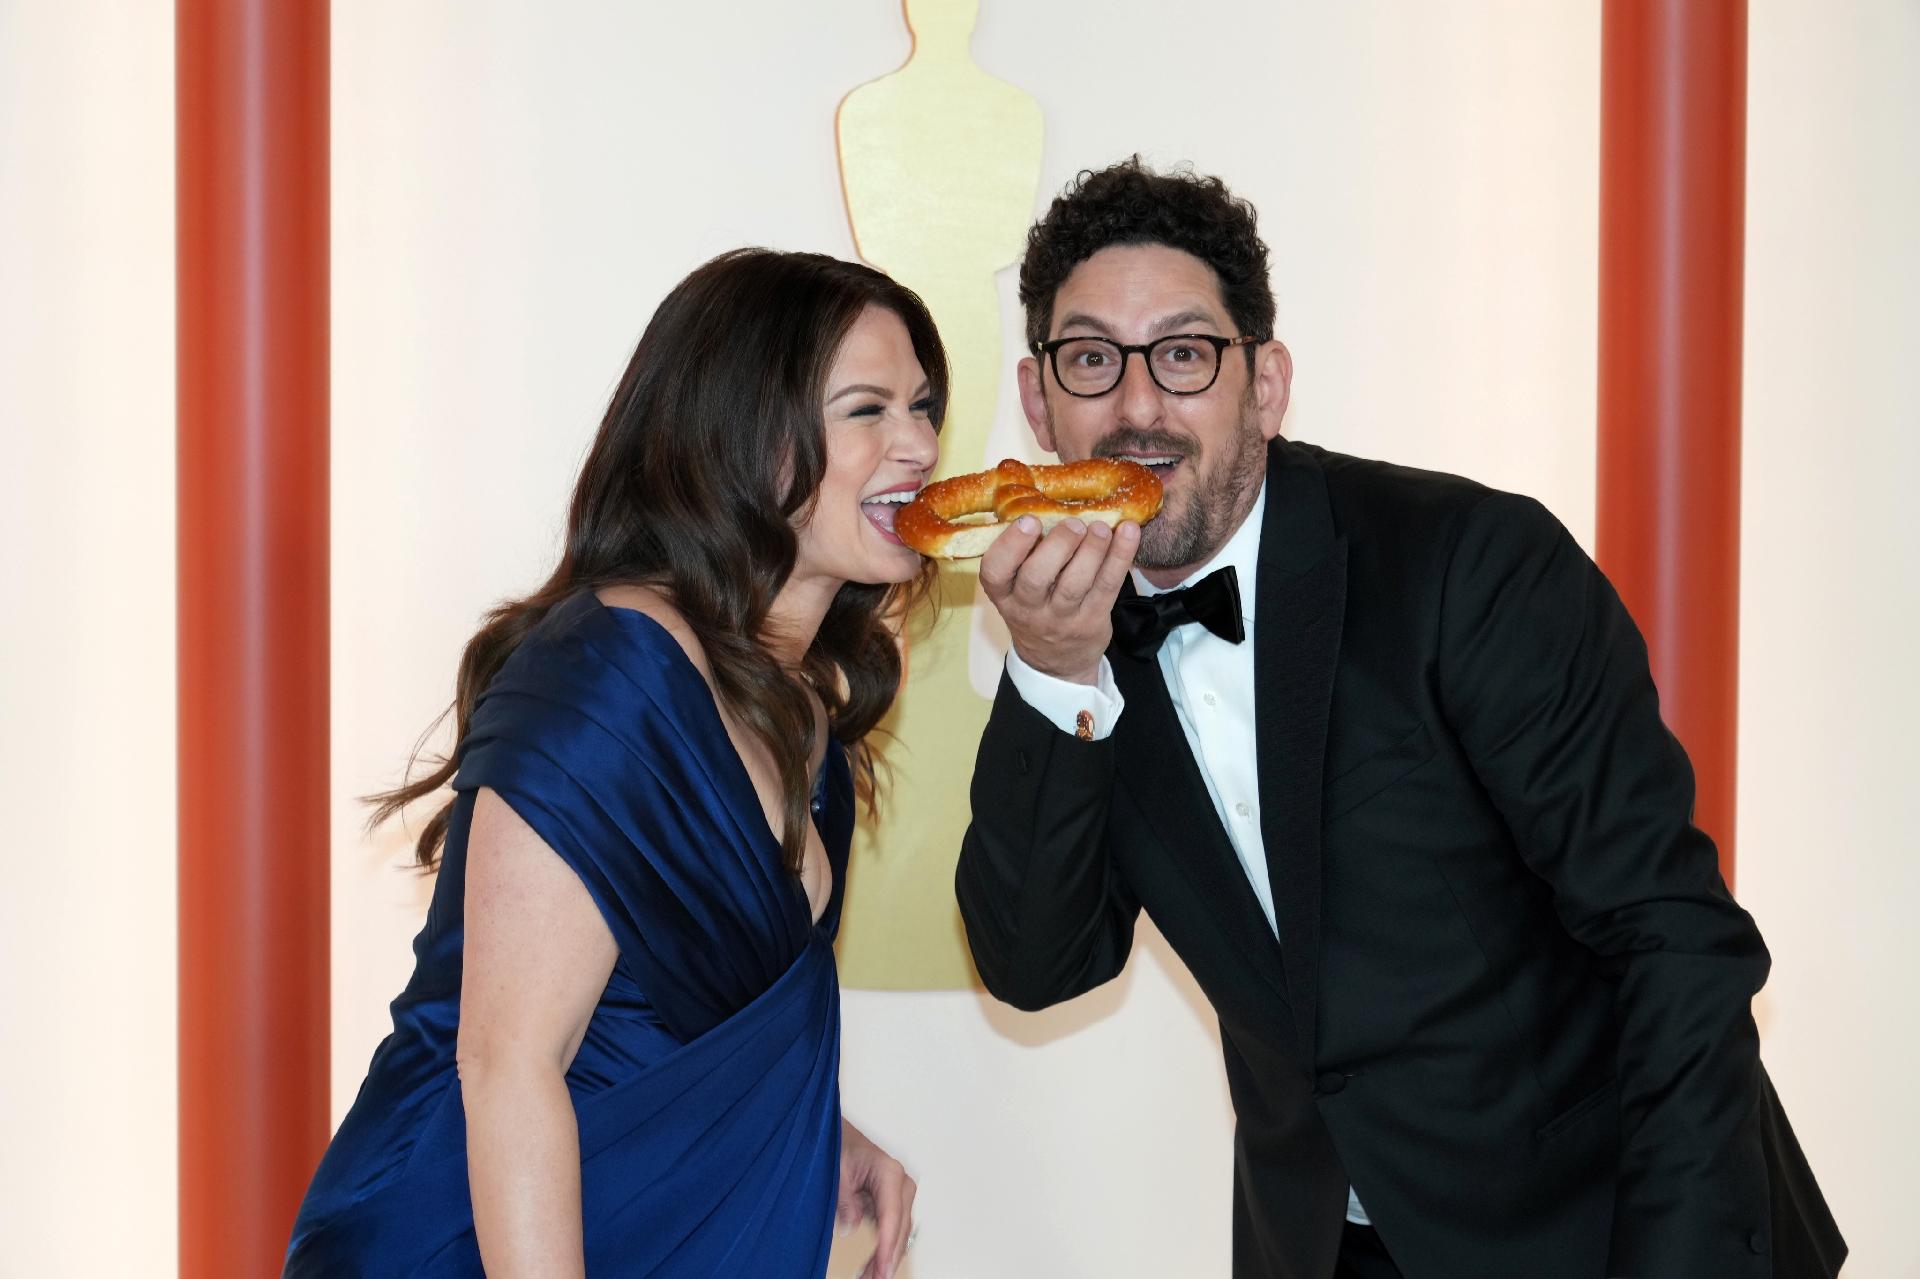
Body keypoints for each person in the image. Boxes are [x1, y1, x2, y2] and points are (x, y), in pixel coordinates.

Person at [954, 159, 1845, 1279]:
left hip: (1606, 1224)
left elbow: (1672, 940)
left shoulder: (1470, 563)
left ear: (1266, 386)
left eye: (1184, 355)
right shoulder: (1069, 643)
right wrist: (1051, 671)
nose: (1137, 408)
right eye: (1091, 360)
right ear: (1040, 402)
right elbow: (1039, 963)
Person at [286, 249, 940, 1279]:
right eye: (868, 409)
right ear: (744, 435)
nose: (919, 444)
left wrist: (825, 1134)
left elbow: (662, 1021)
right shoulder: (613, 671)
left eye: (922, 404)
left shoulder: (806, 711)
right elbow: (509, 1066)